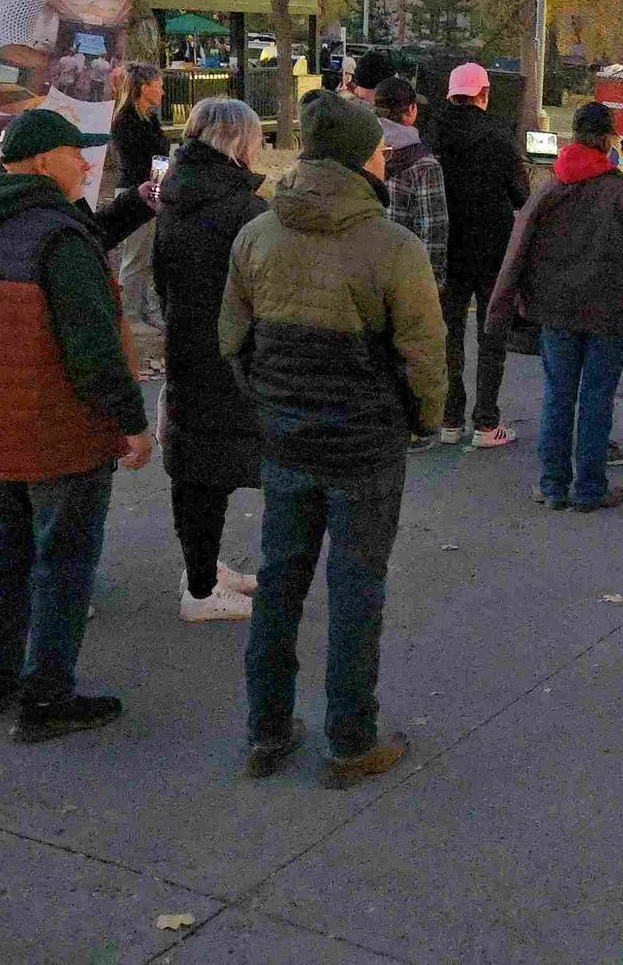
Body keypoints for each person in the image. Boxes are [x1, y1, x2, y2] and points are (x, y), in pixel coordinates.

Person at [223, 89, 444, 786]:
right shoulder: (393, 247)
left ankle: (266, 732)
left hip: (286, 440)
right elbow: (424, 354)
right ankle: (350, 741)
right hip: (364, 446)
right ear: (360, 159)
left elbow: (233, 340)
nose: (386, 159)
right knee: (356, 590)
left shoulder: (257, 235)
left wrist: (270, 405)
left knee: (280, 583)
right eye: (379, 150)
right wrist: (425, 420)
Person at [0, 109, 154, 743]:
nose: (87, 164)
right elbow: (93, 348)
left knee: (3, 555)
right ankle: (48, 695)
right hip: (54, 427)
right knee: (63, 561)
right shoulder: (56, 239)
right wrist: (131, 423)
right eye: (73, 153)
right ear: (37, 163)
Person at [487, 101, 623, 511]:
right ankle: (589, 487)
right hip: (611, 316)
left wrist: (498, 316)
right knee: (597, 398)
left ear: (573, 135)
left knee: (557, 396)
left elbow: (515, 253)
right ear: (610, 139)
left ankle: (552, 485)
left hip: (555, 313)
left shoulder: (548, 192)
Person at [150, 98, 271, 622]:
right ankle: (200, 588)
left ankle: (201, 568)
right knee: (211, 469)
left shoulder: (178, 195)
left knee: (197, 464)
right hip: (227, 349)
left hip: (187, 343)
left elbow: (161, 275)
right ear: (240, 143)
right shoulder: (244, 209)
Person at [429, 62, 528, 447]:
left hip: (446, 250)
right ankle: (486, 422)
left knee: (448, 336)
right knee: (491, 336)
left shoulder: (433, 133)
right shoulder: (500, 136)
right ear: (484, 94)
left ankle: (449, 419)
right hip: (491, 251)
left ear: (450, 93)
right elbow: (521, 197)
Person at [108, 62, 170, 350]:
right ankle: (130, 315)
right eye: (158, 85)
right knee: (134, 256)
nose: (162, 90)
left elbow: (159, 157)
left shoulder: (149, 119)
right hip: (136, 191)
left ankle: (145, 310)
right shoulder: (125, 121)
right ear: (144, 88)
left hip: (153, 189)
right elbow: (139, 162)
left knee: (148, 255)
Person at [375, 76, 450, 293]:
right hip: (403, 275)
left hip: (364, 269)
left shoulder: (361, 151)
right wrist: (430, 285)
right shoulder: (424, 165)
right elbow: (433, 230)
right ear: (411, 110)